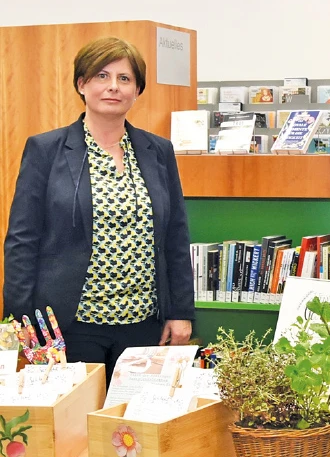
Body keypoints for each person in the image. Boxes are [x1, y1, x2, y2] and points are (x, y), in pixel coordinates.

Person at [3, 37, 194, 386]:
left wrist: (180, 312)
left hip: (144, 324)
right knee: (74, 418)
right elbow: (22, 240)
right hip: (68, 325)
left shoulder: (158, 151)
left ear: (137, 90)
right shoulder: (46, 150)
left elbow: (176, 236)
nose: (113, 87)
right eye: (102, 76)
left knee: (134, 418)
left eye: (125, 78)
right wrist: (22, 319)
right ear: (82, 84)